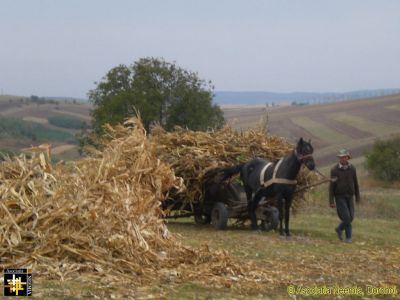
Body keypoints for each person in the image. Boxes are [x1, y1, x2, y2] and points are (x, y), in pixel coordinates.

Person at [329, 149, 360, 243]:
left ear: (348, 157)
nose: (343, 159)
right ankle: (348, 238)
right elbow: (331, 187)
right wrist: (331, 201)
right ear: (339, 158)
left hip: (350, 195)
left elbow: (355, 183)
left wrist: (357, 197)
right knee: (346, 217)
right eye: (341, 157)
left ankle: (339, 229)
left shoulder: (352, 168)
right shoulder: (334, 170)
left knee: (351, 217)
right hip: (339, 196)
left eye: (344, 157)